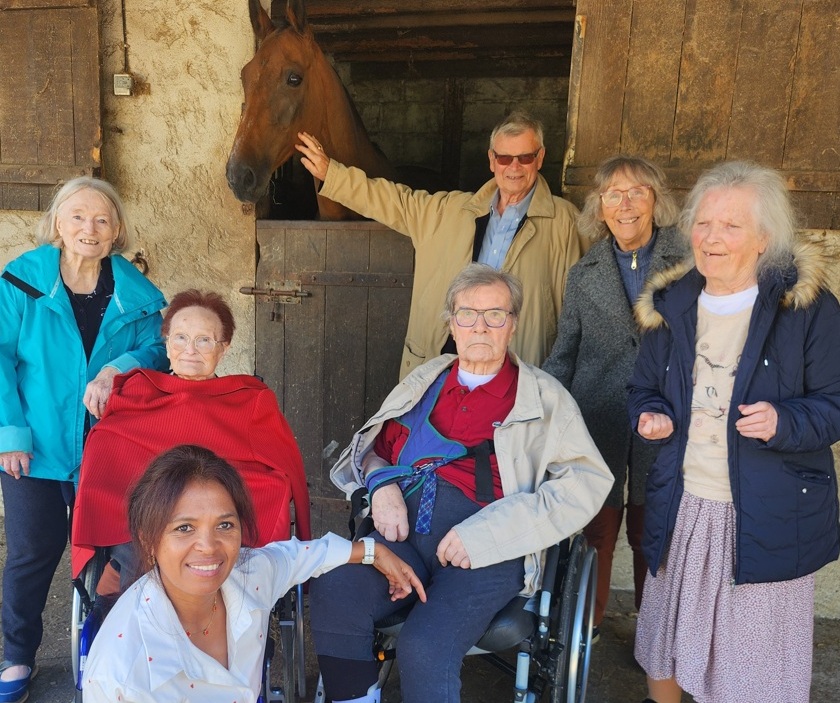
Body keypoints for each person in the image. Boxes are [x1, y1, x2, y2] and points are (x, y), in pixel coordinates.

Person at [310, 263, 613, 703]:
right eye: (467, 314)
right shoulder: (425, 381)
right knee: (335, 589)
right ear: (452, 324)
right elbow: (375, 450)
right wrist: (380, 485)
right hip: (402, 537)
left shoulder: (546, 399)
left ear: (513, 324)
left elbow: (586, 482)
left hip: (487, 551)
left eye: (495, 315)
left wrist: (488, 533)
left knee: (425, 646)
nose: (480, 326)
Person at [627, 161, 840, 703]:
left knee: (752, 669)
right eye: (703, 223)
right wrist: (651, 415)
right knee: (666, 643)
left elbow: (835, 404)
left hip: (766, 513)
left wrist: (784, 421)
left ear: (765, 238)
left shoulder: (808, 309)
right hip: (683, 504)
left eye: (731, 225)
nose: (711, 237)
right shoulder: (672, 303)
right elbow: (643, 387)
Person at [81, 444, 424, 703]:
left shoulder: (248, 575)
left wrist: (371, 551)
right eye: (184, 528)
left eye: (224, 525)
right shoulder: (120, 674)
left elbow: (296, 556)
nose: (209, 547)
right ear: (148, 540)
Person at [0, 177, 167, 703]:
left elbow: (157, 353)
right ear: (58, 222)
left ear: (116, 230)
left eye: (101, 220)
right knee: (32, 550)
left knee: (117, 550)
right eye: (77, 217)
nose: (88, 229)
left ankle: (111, 647)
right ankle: (16, 654)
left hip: (109, 448)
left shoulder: (138, 296)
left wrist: (118, 368)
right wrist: (10, 434)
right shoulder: (22, 282)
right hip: (35, 445)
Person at [296, 110, 587, 380]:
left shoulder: (565, 223)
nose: (514, 167)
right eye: (504, 158)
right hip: (446, 362)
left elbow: (582, 307)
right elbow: (394, 201)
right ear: (491, 160)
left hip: (517, 368)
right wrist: (332, 174)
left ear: (540, 158)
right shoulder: (450, 211)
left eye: (524, 157)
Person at [72, 289, 311, 588]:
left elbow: (284, 469)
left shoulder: (250, 400)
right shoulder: (137, 392)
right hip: (147, 521)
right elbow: (106, 450)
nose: (190, 350)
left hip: (220, 524)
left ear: (223, 349)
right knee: (137, 548)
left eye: (204, 340)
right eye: (181, 338)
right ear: (167, 344)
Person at [542, 155, 686, 635]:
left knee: (653, 525)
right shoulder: (584, 273)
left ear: (655, 201)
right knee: (596, 528)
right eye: (614, 195)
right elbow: (565, 350)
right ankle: (587, 626)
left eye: (637, 192)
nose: (625, 205)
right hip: (598, 412)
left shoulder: (688, 262)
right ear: (599, 206)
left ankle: (655, 633)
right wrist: (543, 409)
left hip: (664, 413)